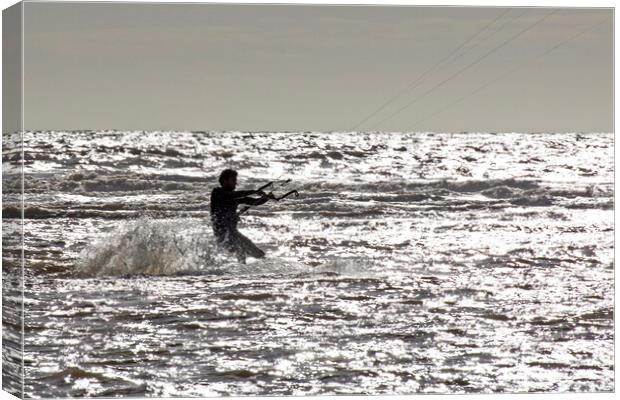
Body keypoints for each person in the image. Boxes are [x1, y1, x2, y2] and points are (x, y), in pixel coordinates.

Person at [210, 169, 271, 263]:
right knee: (241, 251)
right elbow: (232, 195)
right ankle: (241, 273)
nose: (235, 183)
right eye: (233, 180)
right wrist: (253, 191)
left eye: (235, 180)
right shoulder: (217, 193)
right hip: (223, 234)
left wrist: (267, 198)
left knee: (258, 254)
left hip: (233, 233)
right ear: (224, 181)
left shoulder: (235, 198)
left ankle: (257, 273)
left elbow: (252, 201)